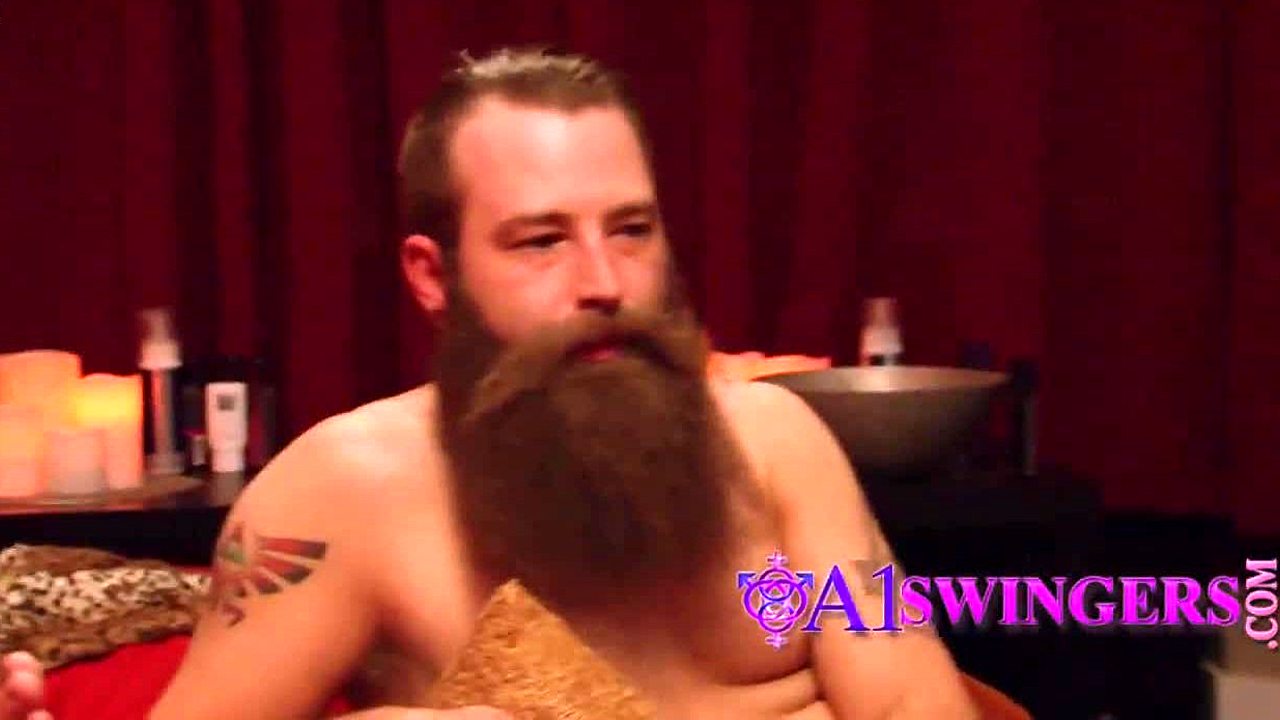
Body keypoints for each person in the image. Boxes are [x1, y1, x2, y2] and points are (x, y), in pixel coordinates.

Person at [0, 49, 978, 719]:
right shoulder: (347, 493)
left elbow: (905, 698)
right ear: (433, 276)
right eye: (540, 240)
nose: (603, 283)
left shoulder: (772, 442)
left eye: (631, 230)